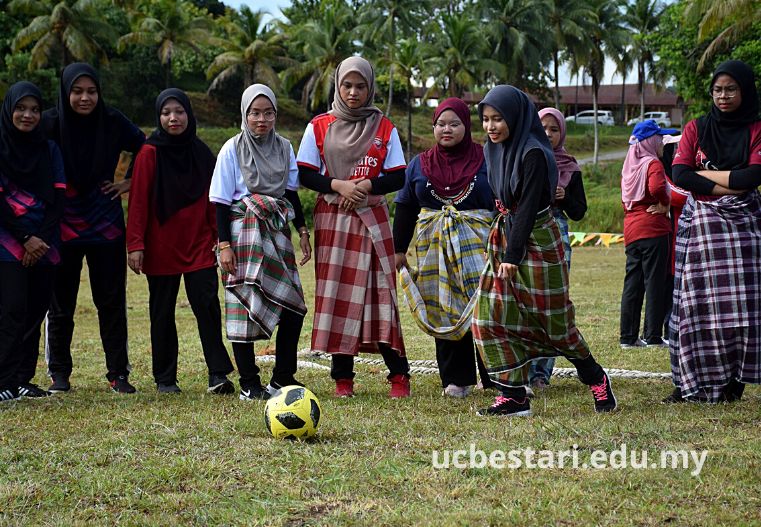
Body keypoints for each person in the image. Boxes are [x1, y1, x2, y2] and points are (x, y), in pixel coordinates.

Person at [472, 85, 617, 416]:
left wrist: (513, 256)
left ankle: (596, 377)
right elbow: (503, 201)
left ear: (515, 118)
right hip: (506, 234)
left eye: (498, 119)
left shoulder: (534, 153)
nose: (490, 126)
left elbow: (527, 207)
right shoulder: (493, 148)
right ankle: (513, 396)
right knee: (488, 317)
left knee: (555, 325)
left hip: (537, 237)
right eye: (486, 119)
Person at [297, 57, 410, 398]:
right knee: (339, 296)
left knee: (381, 294)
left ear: (370, 88)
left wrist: (366, 186)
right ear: (338, 86)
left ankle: (399, 375)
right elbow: (305, 174)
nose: (353, 92)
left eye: (360, 86)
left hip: (372, 218)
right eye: (347, 85)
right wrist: (339, 186)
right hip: (333, 218)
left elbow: (398, 176)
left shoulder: (384, 127)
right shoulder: (319, 126)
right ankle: (342, 378)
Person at [42, 63, 145, 393]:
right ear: (65, 92)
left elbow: (146, 146)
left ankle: (118, 373)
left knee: (111, 301)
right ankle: (59, 373)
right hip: (62, 224)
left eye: (91, 91)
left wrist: (129, 181)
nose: (84, 98)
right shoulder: (49, 123)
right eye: (77, 91)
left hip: (105, 223)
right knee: (60, 303)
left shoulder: (112, 120)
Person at [126, 89, 235, 394]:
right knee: (162, 311)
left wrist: (220, 238)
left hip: (198, 243)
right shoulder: (149, 153)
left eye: (179, 112)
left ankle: (218, 374)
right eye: (166, 113)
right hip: (161, 245)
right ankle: (165, 378)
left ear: (189, 114)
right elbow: (138, 201)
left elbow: (216, 199)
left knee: (207, 306)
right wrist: (135, 244)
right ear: (159, 117)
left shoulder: (201, 152)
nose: (173, 118)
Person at [666, 59, 761, 403]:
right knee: (697, 305)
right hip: (700, 228)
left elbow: (754, 176)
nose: (723, 96)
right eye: (718, 90)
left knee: (741, 309)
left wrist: (705, 177)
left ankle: (734, 380)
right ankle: (690, 381)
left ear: (744, 91)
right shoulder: (697, 128)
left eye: (731, 89)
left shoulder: (756, 129)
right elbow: (679, 174)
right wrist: (732, 182)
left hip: (744, 228)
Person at [210, 84, 311, 401]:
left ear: (276, 115)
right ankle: (249, 384)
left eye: (268, 113)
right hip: (243, 233)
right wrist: (224, 246)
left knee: (293, 306)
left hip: (277, 231)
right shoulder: (232, 149)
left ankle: (283, 378)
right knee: (243, 306)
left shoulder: (284, 147)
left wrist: (303, 231)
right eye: (255, 113)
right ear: (244, 114)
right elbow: (220, 202)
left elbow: (291, 192)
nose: (261, 119)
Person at [392, 97, 494, 398]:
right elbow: (405, 207)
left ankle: (496, 376)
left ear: (467, 126)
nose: (446, 129)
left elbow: (502, 201)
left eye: (454, 124)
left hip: (480, 244)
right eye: (440, 124)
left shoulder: (487, 158)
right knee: (444, 305)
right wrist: (399, 249)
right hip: (433, 248)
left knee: (487, 305)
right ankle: (457, 379)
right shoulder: (419, 164)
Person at [0, 82, 66, 401]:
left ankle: (22, 378)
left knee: (36, 310)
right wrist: (25, 238)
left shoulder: (48, 149)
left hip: (45, 243)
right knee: (11, 309)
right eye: (21, 108)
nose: (28, 115)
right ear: (9, 110)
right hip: (7, 240)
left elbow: (58, 198)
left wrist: (39, 239)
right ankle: (3, 380)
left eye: (35, 110)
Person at [529, 107, 587, 390]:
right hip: (526, 233)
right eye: (543, 128)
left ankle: (541, 373)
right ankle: (518, 371)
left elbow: (579, 211)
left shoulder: (570, 167)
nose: (548, 134)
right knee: (525, 302)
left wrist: (563, 198)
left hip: (557, 235)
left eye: (554, 129)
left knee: (551, 303)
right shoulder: (526, 158)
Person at [619, 120, 677, 350]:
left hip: (632, 229)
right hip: (653, 228)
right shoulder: (653, 163)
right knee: (655, 282)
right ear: (650, 141)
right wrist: (664, 203)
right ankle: (653, 336)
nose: (662, 142)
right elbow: (656, 187)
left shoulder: (629, 167)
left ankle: (628, 337)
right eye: (659, 138)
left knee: (632, 283)